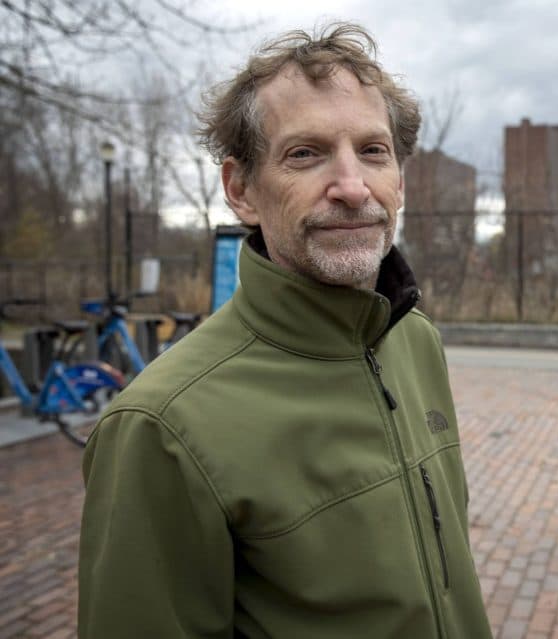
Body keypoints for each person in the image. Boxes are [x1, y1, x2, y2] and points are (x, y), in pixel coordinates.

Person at [78, 22, 493, 638]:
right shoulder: (160, 426)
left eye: (373, 152)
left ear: (399, 181)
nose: (352, 188)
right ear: (241, 189)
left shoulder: (416, 340)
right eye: (305, 153)